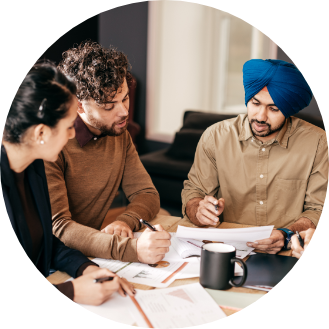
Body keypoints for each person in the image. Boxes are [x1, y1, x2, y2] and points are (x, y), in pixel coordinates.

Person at [0, 62, 135, 305]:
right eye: (67, 126)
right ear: (41, 134)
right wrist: (71, 292)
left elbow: (46, 245)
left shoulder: (34, 168)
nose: (74, 134)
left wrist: (86, 268)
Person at [182, 59, 329, 254]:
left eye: (274, 108)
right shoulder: (215, 136)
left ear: (288, 109)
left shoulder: (318, 142)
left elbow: (318, 208)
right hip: (224, 250)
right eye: (255, 103)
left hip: (287, 251)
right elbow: (194, 191)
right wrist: (198, 209)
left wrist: (286, 234)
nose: (260, 116)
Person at [44, 40, 170, 264]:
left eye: (125, 98)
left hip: (91, 253)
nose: (123, 112)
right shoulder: (53, 144)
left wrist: (125, 221)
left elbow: (147, 194)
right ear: (79, 105)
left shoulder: (120, 135)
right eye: (109, 105)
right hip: (52, 258)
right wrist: (131, 249)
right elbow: (59, 227)